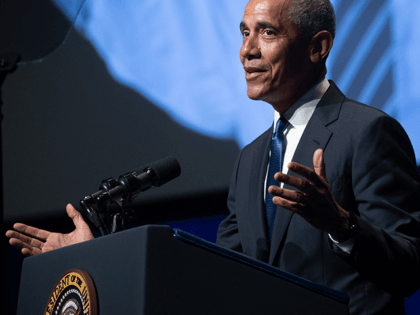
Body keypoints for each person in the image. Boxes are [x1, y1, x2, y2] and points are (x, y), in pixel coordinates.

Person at [6, 0, 420, 314]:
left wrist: (340, 224)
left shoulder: (368, 132)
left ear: (318, 47)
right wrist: (97, 256)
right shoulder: (251, 159)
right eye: (244, 33)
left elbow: (409, 266)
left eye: (267, 33)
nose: (247, 51)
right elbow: (216, 274)